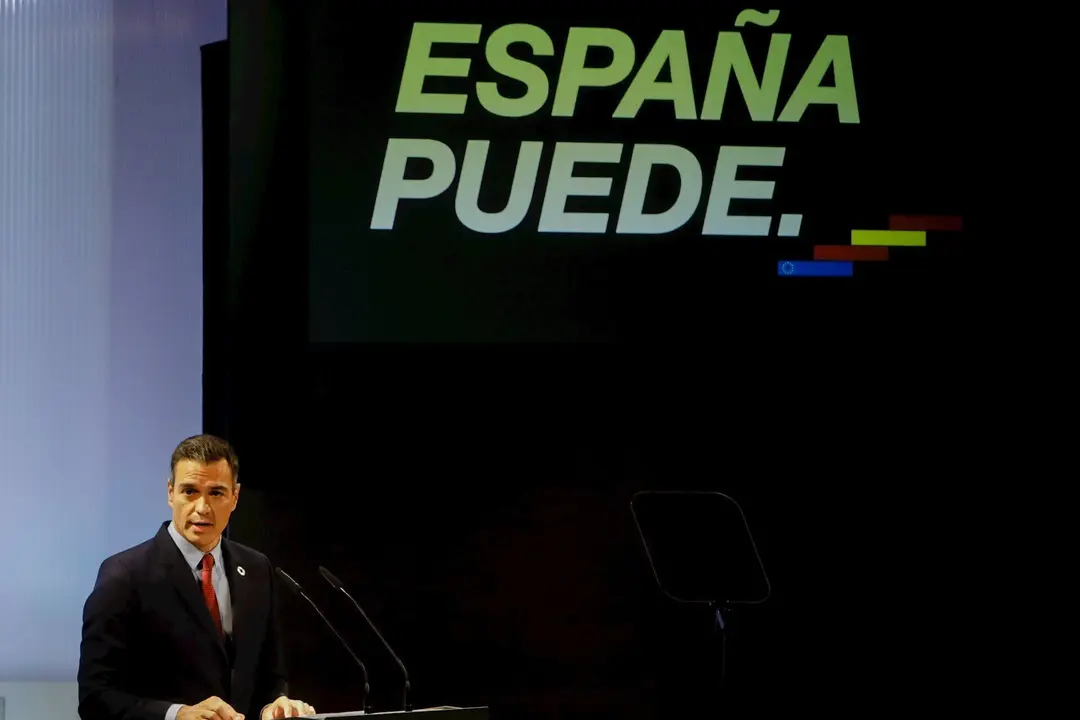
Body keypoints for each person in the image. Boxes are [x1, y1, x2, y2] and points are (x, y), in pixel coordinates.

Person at [78, 434, 316, 720]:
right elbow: (96, 697)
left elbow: (270, 675)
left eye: (216, 493)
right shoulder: (125, 575)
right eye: (190, 491)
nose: (202, 508)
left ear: (235, 497)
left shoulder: (256, 568)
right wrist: (176, 715)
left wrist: (276, 705)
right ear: (170, 493)